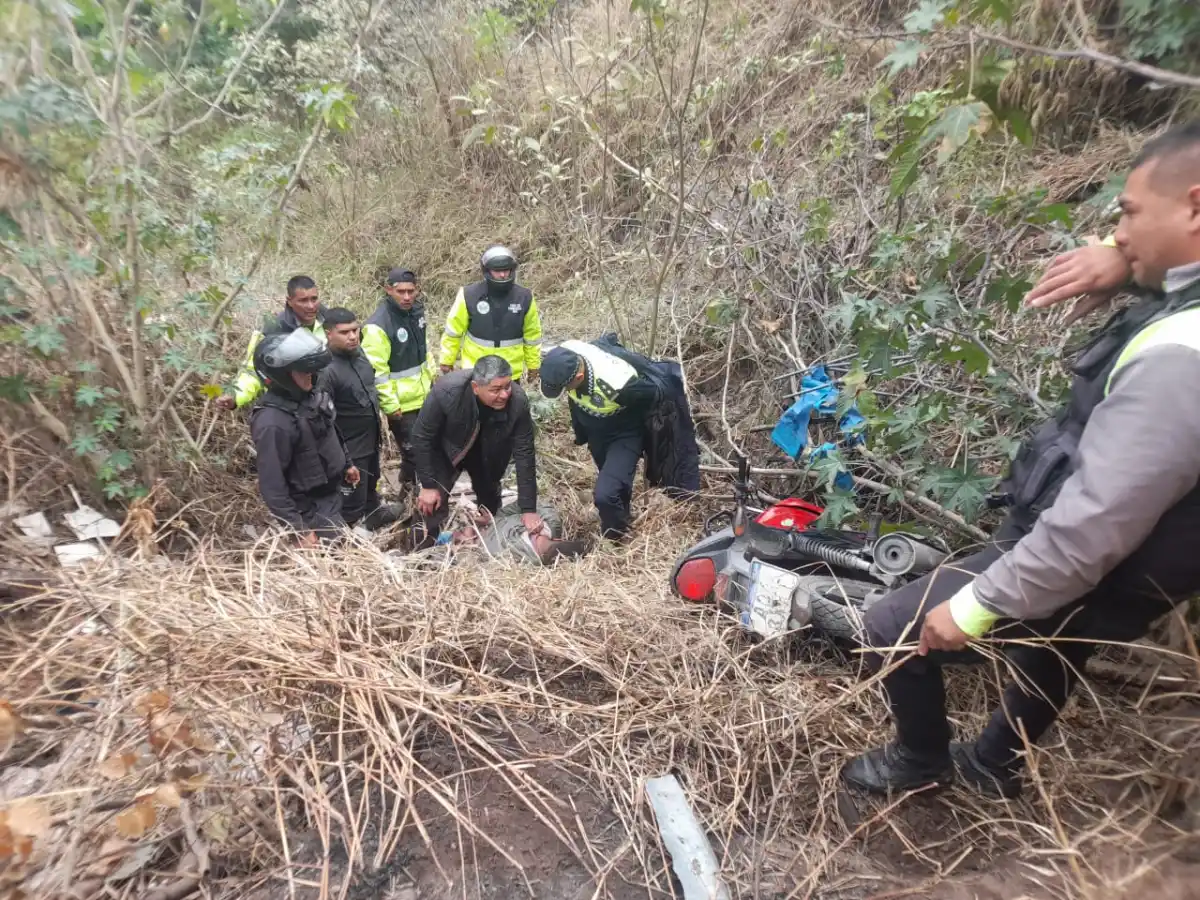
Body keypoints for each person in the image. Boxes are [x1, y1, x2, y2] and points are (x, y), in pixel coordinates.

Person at [842, 123, 1200, 802]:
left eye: (1126, 215)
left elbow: (1092, 530)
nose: (1114, 232)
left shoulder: (1180, 357)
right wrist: (1129, 264)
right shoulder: (1185, 307)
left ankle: (921, 761)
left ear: (1193, 207)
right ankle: (994, 764)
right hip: (1150, 561)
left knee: (892, 624)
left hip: (1113, 557)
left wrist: (976, 606)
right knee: (1064, 636)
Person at [539, 335, 700, 540]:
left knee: (605, 495)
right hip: (595, 429)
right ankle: (622, 518)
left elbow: (656, 397)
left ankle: (614, 538)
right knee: (615, 485)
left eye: (564, 388)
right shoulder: (566, 352)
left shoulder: (617, 383)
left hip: (624, 432)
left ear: (578, 376)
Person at [410, 355, 542, 542]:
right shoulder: (447, 391)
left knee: (489, 503)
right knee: (431, 504)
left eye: (507, 386)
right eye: (495, 390)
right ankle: (422, 547)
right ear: (475, 388)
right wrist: (428, 485)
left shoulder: (518, 401)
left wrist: (529, 509)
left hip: (489, 452)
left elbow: (525, 452)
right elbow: (421, 436)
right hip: (448, 449)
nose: (504, 394)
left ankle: (486, 543)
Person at [248, 329, 359, 546]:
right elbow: (272, 485)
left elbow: (330, 431)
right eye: (302, 372)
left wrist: (347, 463)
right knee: (338, 562)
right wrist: (298, 529)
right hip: (310, 507)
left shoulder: (310, 396)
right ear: (281, 376)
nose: (310, 375)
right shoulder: (273, 423)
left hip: (332, 491)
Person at [315, 307, 392, 528]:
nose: (352, 336)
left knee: (371, 484)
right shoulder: (326, 370)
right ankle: (345, 540)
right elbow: (323, 420)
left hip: (370, 439)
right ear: (329, 333)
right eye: (344, 332)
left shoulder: (359, 355)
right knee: (350, 500)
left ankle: (375, 515)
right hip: (348, 447)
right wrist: (342, 458)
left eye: (355, 330)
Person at [361, 268, 435, 492]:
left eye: (410, 291)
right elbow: (377, 371)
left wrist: (433, 382)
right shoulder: (378, 326)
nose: (406, 297)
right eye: (400, 292)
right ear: (388, 290)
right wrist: (391, 406)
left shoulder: (416, 313)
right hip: (402, 405)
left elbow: (425, 352)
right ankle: (413, 494)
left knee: (426, 448)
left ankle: (409, 488)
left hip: (425, 397)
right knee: (415, 452)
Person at [217, 275, 327, 410]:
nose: (311, 306)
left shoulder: (326, 318)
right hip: (294, 404)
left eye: (314, 299)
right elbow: (255, 370)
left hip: (327, 397)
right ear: (290, 301)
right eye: (303, 300)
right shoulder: (273, 329)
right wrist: (236, 397)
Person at [439, 245, 542, 383]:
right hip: (476, 370)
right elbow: (453, 332)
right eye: (497, 270)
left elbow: (532, 336)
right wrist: (447, 359)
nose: (502, 275)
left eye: (506, 270)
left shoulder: (524, 297)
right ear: (487, 271)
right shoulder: (468, 295)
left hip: (510, 372)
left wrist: (533, 366)